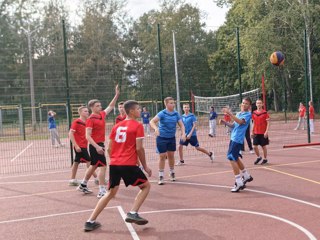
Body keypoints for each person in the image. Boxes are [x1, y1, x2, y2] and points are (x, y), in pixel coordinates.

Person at [83, 100, 152, 232]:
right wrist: (145, 166)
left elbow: (109, 148)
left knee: (110, 193)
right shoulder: (137, 126)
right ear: (131, 111)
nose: (139, 110)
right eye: (138, 109)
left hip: (115, 164)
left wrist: (115, 158)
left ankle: (90, 221)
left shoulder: (117, 126)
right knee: (146, 186)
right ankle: (133, 212)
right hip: (128, 164)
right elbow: (139, 148)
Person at [77, 85, 120, 198]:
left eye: (100, 105)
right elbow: (87, 136)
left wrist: (116, 95)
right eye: (97, 105)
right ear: (92, 107)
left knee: (93, 166)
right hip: (95, 146)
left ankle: (83, 184)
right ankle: (101, 190)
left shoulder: (101, 114)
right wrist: (97, 147)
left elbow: (110, 106)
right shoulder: (91, 119)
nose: (100, 107)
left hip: (99, 144)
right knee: (103, 167)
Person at [219, 97, 253, 192]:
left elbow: (240, 122)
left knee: (231, 157)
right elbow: (234, 125)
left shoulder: (247, 114)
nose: (244, 104)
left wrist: (229, 113)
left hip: (237, 140)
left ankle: (239, 182)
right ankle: (246, 176)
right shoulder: (239, 113)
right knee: (236, 158)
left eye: (246, 103)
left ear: (249, 106)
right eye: (243, 103)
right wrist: (224, 122)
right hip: (233, 138)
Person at [150, 97, 186, 185]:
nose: (173, 104)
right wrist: (156, 129)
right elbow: (152, 121)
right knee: (162, 155)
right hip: (161, 137)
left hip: (171, 138)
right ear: (166, 104)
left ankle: (172, 172)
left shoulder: (176, 114)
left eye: (173, 103)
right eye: (171, 103)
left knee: (171, 155)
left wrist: (183, 133)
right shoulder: (162, 113)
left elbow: (181, 125)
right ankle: (161, 175)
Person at [68, 106, 98, 186]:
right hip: (80, 146)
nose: (87, 112)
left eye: (87, 111)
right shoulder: (77, 122)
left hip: (84, 145)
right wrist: (76, 145)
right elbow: (70, 134)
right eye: (85, 111)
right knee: (89, 162)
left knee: (76, 162)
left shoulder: (88, 122)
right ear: (80, 113)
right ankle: (96, 178)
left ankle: (72, 179)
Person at [251, 99, 270, 165]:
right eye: (257, 103)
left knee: (263, 146)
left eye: (260, 103)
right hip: (256, 132)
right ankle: (259, 157)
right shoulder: (254, 113)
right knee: (254, 146)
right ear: (256, 104)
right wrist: (252, 131)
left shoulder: (265, 113)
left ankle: (265, 159)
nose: (258, 104)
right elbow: (253, 123)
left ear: (262, 104)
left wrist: (266, 131)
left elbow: (268, 123)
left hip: (263, 132)